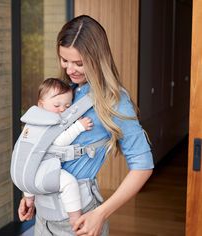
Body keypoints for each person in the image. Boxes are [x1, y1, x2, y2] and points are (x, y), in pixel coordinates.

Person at [18, 15, 154, 236]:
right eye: (65, 60)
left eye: (79, 63)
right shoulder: (64, 93)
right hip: (44, 217)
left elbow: (143, 166)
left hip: (79, 221)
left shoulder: (114, 101)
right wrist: (30, 195)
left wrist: (101, 213)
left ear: (98, 58)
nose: (70, 69)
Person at [23, 77, 93, 227]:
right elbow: (58, 143)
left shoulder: (33, 120)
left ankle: (29, 199)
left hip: (27, 169)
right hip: (41, 167)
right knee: (69, 183)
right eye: (57, 105)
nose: (62, 109)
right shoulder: (47, 122)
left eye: (68, 106)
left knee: (29, 176)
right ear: (41, 105)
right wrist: (78, 126)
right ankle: (75, 217)